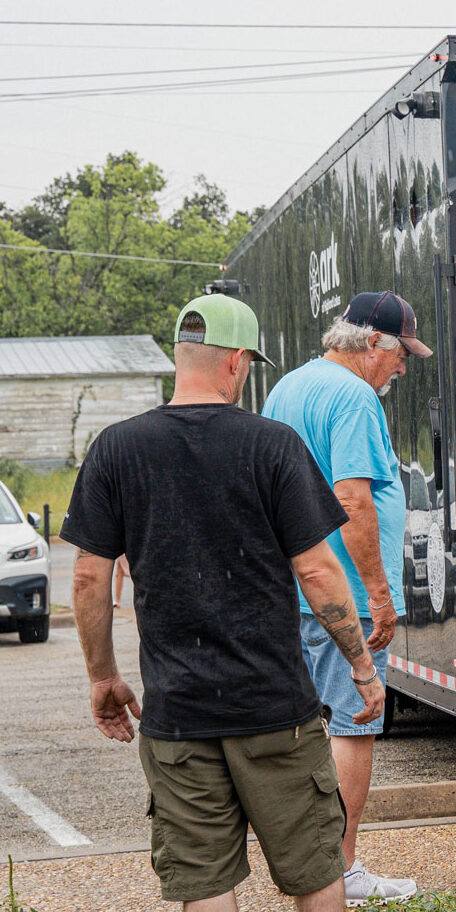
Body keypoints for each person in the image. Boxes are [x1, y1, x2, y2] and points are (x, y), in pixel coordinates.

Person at [62, 293, 385, 911]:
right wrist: (361, 667)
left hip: (178, 716)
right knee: (318, 878)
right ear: (236, 362)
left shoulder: (116, 449)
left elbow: (87, 579)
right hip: (275, 711)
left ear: (181, 358)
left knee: (206, 888)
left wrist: (104, 676)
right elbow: (317, 572)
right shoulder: (273, 445)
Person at [260, 290, 430, 905]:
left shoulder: (289, 388)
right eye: (401, 354)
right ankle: (342, 869)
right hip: (345, 594)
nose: (402, 369)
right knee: (355, 727)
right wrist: (380, 598)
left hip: (299, 584)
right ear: (374, 344)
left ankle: (311, 865)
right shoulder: (355, 396)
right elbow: (353, 500)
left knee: (309, 729)